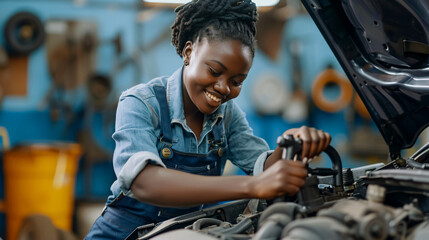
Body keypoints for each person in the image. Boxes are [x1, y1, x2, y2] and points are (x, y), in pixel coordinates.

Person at [85, 0, 331, 239]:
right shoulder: (140, 103)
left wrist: (292, 144)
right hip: (123, 233)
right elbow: (144, 183)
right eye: (214, 71)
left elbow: (263, 165)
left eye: (237, 82)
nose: (224, 88)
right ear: (189, 53)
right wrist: (252, 186)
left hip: (184, 233)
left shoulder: (227, 116)